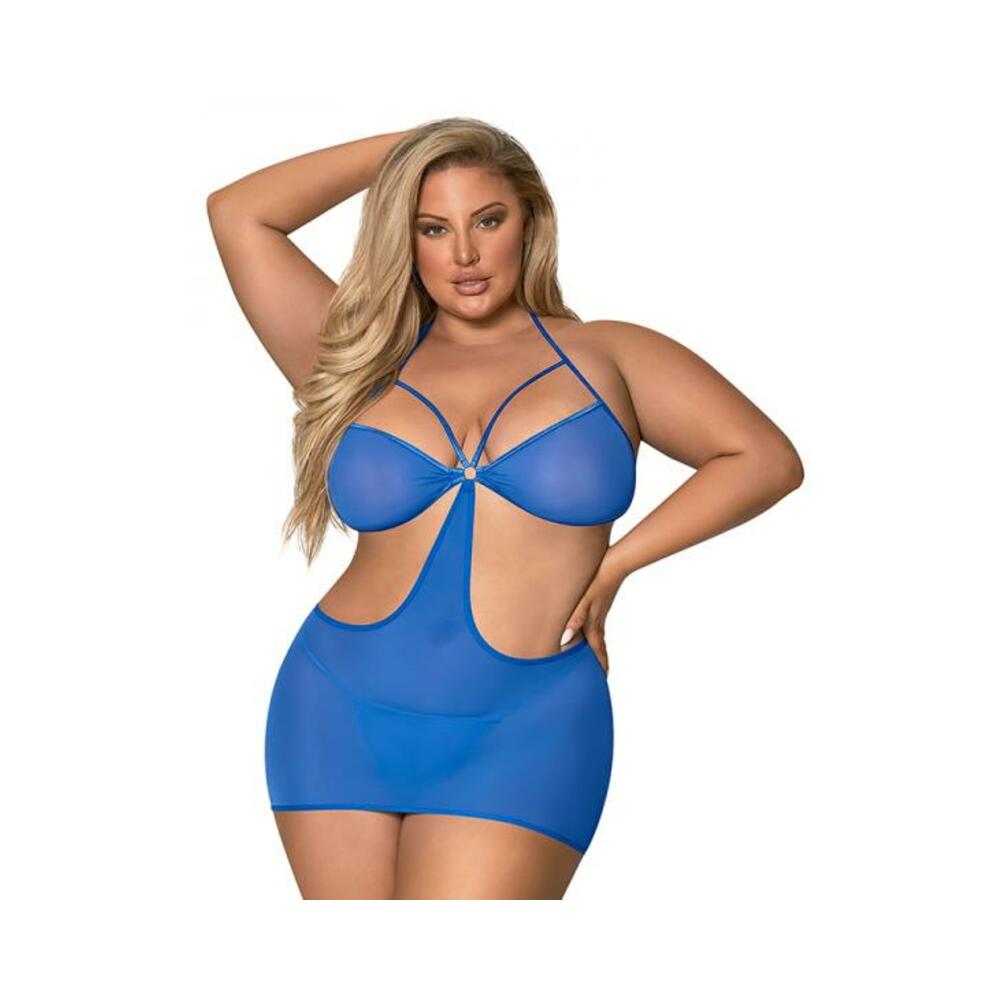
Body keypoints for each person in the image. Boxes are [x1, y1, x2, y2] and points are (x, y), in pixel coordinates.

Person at [206, 117, 804, 899]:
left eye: (487, 220)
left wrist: (618, 563)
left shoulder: (608, 355)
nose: (464, 254)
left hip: (525, 723)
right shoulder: (358, 361)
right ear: (404, 238)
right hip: (336, 706)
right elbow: (238, 213)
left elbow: (763, 459)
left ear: (531, 220)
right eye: (433, 227)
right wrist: (420, 144)